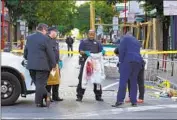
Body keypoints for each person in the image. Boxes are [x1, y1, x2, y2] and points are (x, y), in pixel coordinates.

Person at [24, 23, 56, 107]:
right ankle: (46, 95)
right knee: (40, 85)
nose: (47, 32)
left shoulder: (29, 38)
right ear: (44, 29)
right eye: (46, 31)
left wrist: (28, 59)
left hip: (31, 66)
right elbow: (50, 53)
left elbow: (25, 52)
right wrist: (54, 65)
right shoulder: (46, 39)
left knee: (38, 84)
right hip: (42, 66)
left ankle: (39, 103)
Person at [112, 31, 144, 107]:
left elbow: (121, 51)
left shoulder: (124, 39)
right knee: (133, 82)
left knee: (123, 81)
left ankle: (119, 100)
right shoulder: (136, 41)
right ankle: (134, 101)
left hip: (127, 61)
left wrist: (120, 62)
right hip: (137, 62)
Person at [76, 30, 105, 102]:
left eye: (93, 34)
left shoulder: (98, 42)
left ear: (95, 35)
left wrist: (103, 52)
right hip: (85, 62)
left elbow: (102, 51)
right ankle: (79, 96)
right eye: (90, 34)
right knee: (82, 79)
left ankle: (98, 96)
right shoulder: (84, 42)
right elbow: (80, 51)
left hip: (95, 64)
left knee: (97, 79)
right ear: (88, 34)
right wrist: (85, 52)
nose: (91, 35)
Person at [46, 27, 63, 102]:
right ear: (52, 32)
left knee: (57, 80)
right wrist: (53, 64)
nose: (56, 33)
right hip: (51, 65)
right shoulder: (47, 40)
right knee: (50, 81)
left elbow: (56, 52)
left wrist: (59, 60)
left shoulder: (55, 40)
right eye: (55, 32)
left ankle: (55, 96)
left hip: (56, 64)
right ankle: (48, 97)